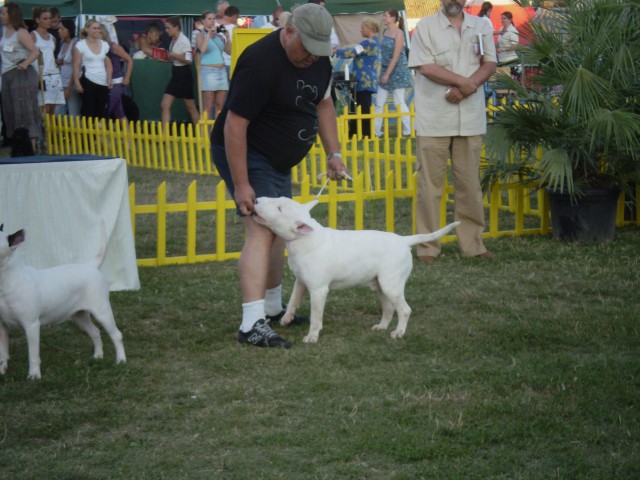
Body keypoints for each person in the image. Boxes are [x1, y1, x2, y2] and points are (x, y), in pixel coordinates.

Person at [210, 3, 347, 348]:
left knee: (280, 230)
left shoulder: (318, 57)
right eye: (307, 50)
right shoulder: (259, 62)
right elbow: (234, 125)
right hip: (248, 151)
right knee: (261, 230)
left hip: (278, 158)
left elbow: (324, 103)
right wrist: (242, 184)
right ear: (288, 32)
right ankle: (251, 323)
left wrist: (334, 152)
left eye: (320, 51)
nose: (313, 59)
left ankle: (272, 308)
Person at [408, 0, 497, 261]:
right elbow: (425, 66)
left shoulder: (482, 25)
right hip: (434, 118)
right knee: (429, 186)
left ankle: (473, 246)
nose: (453, 1)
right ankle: (428, 247)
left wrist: (467, 87)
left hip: (469, 118)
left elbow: (490, 63)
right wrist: (464, 84)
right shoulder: (425, 26)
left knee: (470, 185)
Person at [0, 2, 41, 151]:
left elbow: (35, 51)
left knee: (24, 109)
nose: (1, 16)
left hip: (21, 74)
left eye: (3, 13)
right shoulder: (4, 30)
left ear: (12, 15)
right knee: (10, 110)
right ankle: (17, 145)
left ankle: (31, 145)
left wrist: (25, 64)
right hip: (7, 74)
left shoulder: (21, 32)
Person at [334, 17, 380, 138]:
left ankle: (365, 133)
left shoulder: (367, 43)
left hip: (363, 81)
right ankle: (358, 131)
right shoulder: (375, 42)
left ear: (370, 28)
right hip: (368, 79)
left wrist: (335, 51)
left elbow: (352, 52)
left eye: (363, 28)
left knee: (362, 107)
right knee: (360, 106)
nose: (360, 30)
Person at [374, 9, 413, 137]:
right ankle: (376, 131)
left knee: (398, 101)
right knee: (380, 102)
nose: (384, 18)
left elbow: (396, 57)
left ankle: (407, 130)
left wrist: (387, 74)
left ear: (393, 18)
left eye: (386, 16)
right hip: (386, 69)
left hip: (398, 71)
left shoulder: (399, 33)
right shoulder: (385, 32)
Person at [160, 16, 199, 129]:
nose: (166, 31)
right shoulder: (173, 40)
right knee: (165, 104)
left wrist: (174, 55)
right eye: (166, 28)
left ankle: (202, 135)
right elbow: (175, 58)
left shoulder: (184, 40)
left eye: (168, 28)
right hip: (176, 75)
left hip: (184, 76)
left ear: (176, 27)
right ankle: (164, 135)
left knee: (191, 108)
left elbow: (188, 60)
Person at [73, 20, 112, 119]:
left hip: (102, 80)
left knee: (102, 109)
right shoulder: (80, 45)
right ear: (87, 29)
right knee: (88, 109)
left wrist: (109, 78)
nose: (97, 30)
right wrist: (77, 82)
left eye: (98, 28)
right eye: (94, 28)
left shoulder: (104, 45)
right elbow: (76, 65)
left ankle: (100, 132)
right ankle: (88, 132)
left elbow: (108, 64)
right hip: (87, 79)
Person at [31, 7, 65, 116]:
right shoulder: (32, 36)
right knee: (43, 108)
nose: (49, 21)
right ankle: (42, 132)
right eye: (45, 18)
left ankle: (50, 132)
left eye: (50, 18)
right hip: (40, 75)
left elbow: (49, 56)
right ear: (37, 20)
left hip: (53, 74)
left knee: (52, 109)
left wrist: (56, 62)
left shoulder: (52, 37)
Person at [196, 10, 230, 119]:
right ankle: (206, 133)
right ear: (203, 21)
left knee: (220, 105)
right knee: (208, 105)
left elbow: (229, 51)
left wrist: (227, 37)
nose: (212, 21)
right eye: (209, 19)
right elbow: (203, 49)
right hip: (208, 70)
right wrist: (208, 35)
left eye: (213, 19)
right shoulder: (200, 35)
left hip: (221, 70)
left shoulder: (219, 36)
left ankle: (216, 132)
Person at [100, 24, 133, 122]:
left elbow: (129, 60)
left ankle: (102, 136)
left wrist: (127, 77)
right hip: (107, 82)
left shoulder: (114, 47)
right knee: (119, 112)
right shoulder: (100, 48)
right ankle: (128, 136)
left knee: (106, 110)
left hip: (117, 82)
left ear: (104, 34)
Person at [55, 19, 81, 116]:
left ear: (69, 30)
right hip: (61, 82)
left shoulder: (75, 44)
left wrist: (69, 88)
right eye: (59, 29)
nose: (59, 31)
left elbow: (76, 67)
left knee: (73, 113)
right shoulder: (62, 43)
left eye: (62, 29)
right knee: (58, 112)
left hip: (71, 84)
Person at [496, 11, 520, 78]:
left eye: (504, 18)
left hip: (510, 61)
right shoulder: (501, 29)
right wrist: (496, 47)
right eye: (501, 18)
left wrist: (503, 49)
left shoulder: (513, 31)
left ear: (510, 20)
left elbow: (514, 46)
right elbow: (498, 42)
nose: (502, 20)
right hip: (501, 60)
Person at [220, 6, 240, 80]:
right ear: (235, 16)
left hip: (219, 63)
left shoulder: (215, 26)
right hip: (230, 62)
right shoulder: (233, 28)